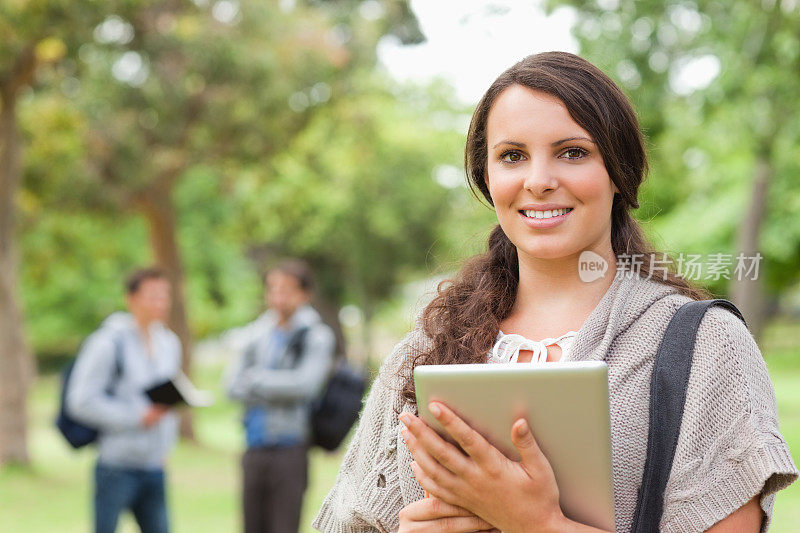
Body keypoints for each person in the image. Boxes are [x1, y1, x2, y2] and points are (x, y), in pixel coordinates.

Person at [313, 52, 798, 533]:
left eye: (572, 152)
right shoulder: (426, 351)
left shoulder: (705, 348)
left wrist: (536, 522)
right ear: (488, 178)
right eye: (512, 156)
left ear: (619, 171)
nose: (539, 181)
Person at [67, 267, 181, 533]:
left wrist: (166, 445)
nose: (160, 303)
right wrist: (135, 417)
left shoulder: (169, 343)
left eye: (165, 296)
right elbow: (81, 401)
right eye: (152, 296)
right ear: (131, 299)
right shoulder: (107, 343)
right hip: (116, 465)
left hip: (154, 464)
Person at [226, 259, 336, 533]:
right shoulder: (256, 333)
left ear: (304, 294)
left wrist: (255, 380)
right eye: (272, 288)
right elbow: (229, 385)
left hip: (291, 448)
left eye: (286, 289)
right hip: (254, 446)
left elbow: (304, 386)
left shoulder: (316, 336)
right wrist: (273, 386)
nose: (277, 296)